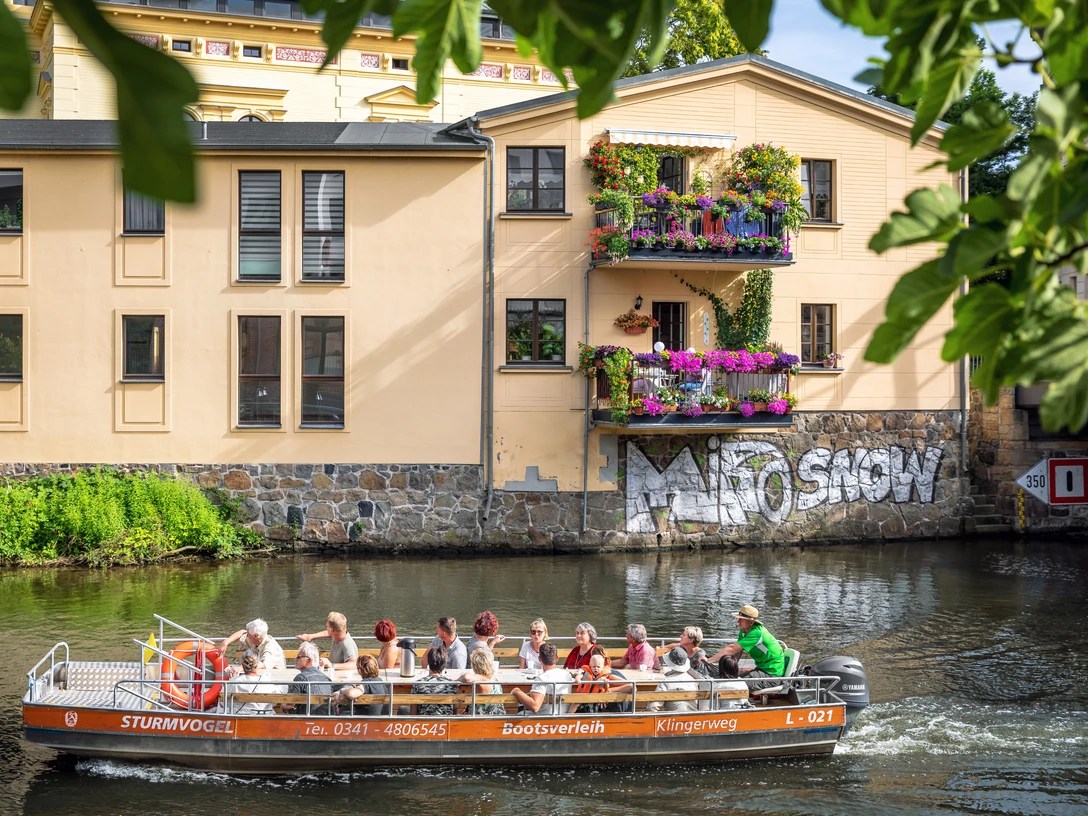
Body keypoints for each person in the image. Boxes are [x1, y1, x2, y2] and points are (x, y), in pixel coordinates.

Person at [705, 605, 785, 691]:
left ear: (751, 622)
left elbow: (732, 649)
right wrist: (730, 670)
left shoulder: (756, 633)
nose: (738, 621)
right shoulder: (744, 631)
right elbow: (737, 651)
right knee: (733, 679)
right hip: (762, 669)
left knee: (736, 685)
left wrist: (708, 660)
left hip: (772, 675)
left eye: (741, 619)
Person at [513, 642, 571, 715]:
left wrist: (516, 691)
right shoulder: (567, 674)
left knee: (520, 713)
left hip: (545, 718)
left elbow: (535, 706)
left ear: (539, 659)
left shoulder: (542, 679)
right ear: (556, 658)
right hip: (563, 716)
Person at [222, 648, 285, 714]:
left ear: (242, 664)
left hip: (239, 717)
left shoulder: (234, 681)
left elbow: (223, 703)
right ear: (257, 665)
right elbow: (274, 702)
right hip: (264, 717)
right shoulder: (266, 681)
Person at [218, 618, 286, 678]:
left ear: (256, 636)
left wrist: (240, 668)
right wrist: (225, 642)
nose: (246, 635)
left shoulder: (271, 647)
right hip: (260, 677)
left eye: (248, 634)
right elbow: (242, 632)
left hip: (275, 681)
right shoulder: (255, 640)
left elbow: (263, 664)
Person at [570, 649, 632, 714]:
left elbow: (631, 686)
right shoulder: (586, 673)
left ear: (603, 667)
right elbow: (580, 676)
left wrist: (608, 690)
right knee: (575, 703)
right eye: (594, 666)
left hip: (599, 701)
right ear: (590, 665)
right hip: (584, 698)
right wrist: (578, 679)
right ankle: (568, 717)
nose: (596, 669)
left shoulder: (608, 675)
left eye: (598, 667)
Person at [283, 641, 332, 715]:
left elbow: (288, 704)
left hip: (306, 719)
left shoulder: (300, 679)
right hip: (327, 719)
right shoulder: (326, 679)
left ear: (309, 660)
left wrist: (283, 706)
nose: (296, 658)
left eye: (299, 656)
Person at [646, 647, 698, 712]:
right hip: (693, 717)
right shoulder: (693, 681)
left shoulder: (666, 681)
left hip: (672, 717)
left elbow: (652, 707)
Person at [411, 645, 458, 716]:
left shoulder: (417, 684)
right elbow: (454, 713)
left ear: (428, 663)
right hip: (445, 722)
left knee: (403, 709)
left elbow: (413, 714)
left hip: (423, 722)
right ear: (444, 664)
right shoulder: (452, 686)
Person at [461, 648, 505, 716]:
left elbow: (467, 677)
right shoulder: (493, 678)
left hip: (483, 718)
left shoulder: (481, 683)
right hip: (498, 716)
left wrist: (456, 680)